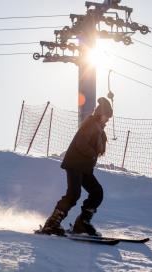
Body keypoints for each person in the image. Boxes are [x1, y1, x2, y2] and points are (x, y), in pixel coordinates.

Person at [40, 97, 113, 236]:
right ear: (100, 114)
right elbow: (80, 143)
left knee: (97, 192)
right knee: (74, 194)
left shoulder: (99, 128)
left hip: (84, 167)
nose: (108, 119)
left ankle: (82, 223)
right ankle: (52, 223)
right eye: (107, 115)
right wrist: (92, 154)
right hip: (75, 163)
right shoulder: (91, 124)